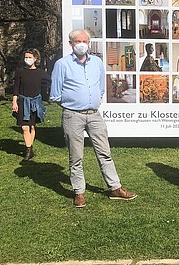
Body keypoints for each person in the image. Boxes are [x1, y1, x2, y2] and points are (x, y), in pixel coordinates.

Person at [50, 29, 137, 208]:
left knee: (105, 153)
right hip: (72, 115)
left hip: (94, 115)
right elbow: (55, 95)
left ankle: (115, 188)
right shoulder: (62, 64)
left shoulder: (97, 62)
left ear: (89, 43)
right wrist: (72, 105)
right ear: (71, 44)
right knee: (76, 157)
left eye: (85, 41)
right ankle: (79, 192)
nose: (81, 44)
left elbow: (101, 87)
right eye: (77, 41)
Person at [12, 48, 51, 161]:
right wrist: (14, 102)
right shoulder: (20, 71)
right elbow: (16, 88)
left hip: (35, 102)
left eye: (30, 57)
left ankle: (30, 147)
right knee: (24, 127)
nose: (27, 59)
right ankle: (28, 149)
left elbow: (51, 81)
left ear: (35, 59)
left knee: (32, 126)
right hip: (23, 102)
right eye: (26, 57)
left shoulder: (40, 73)